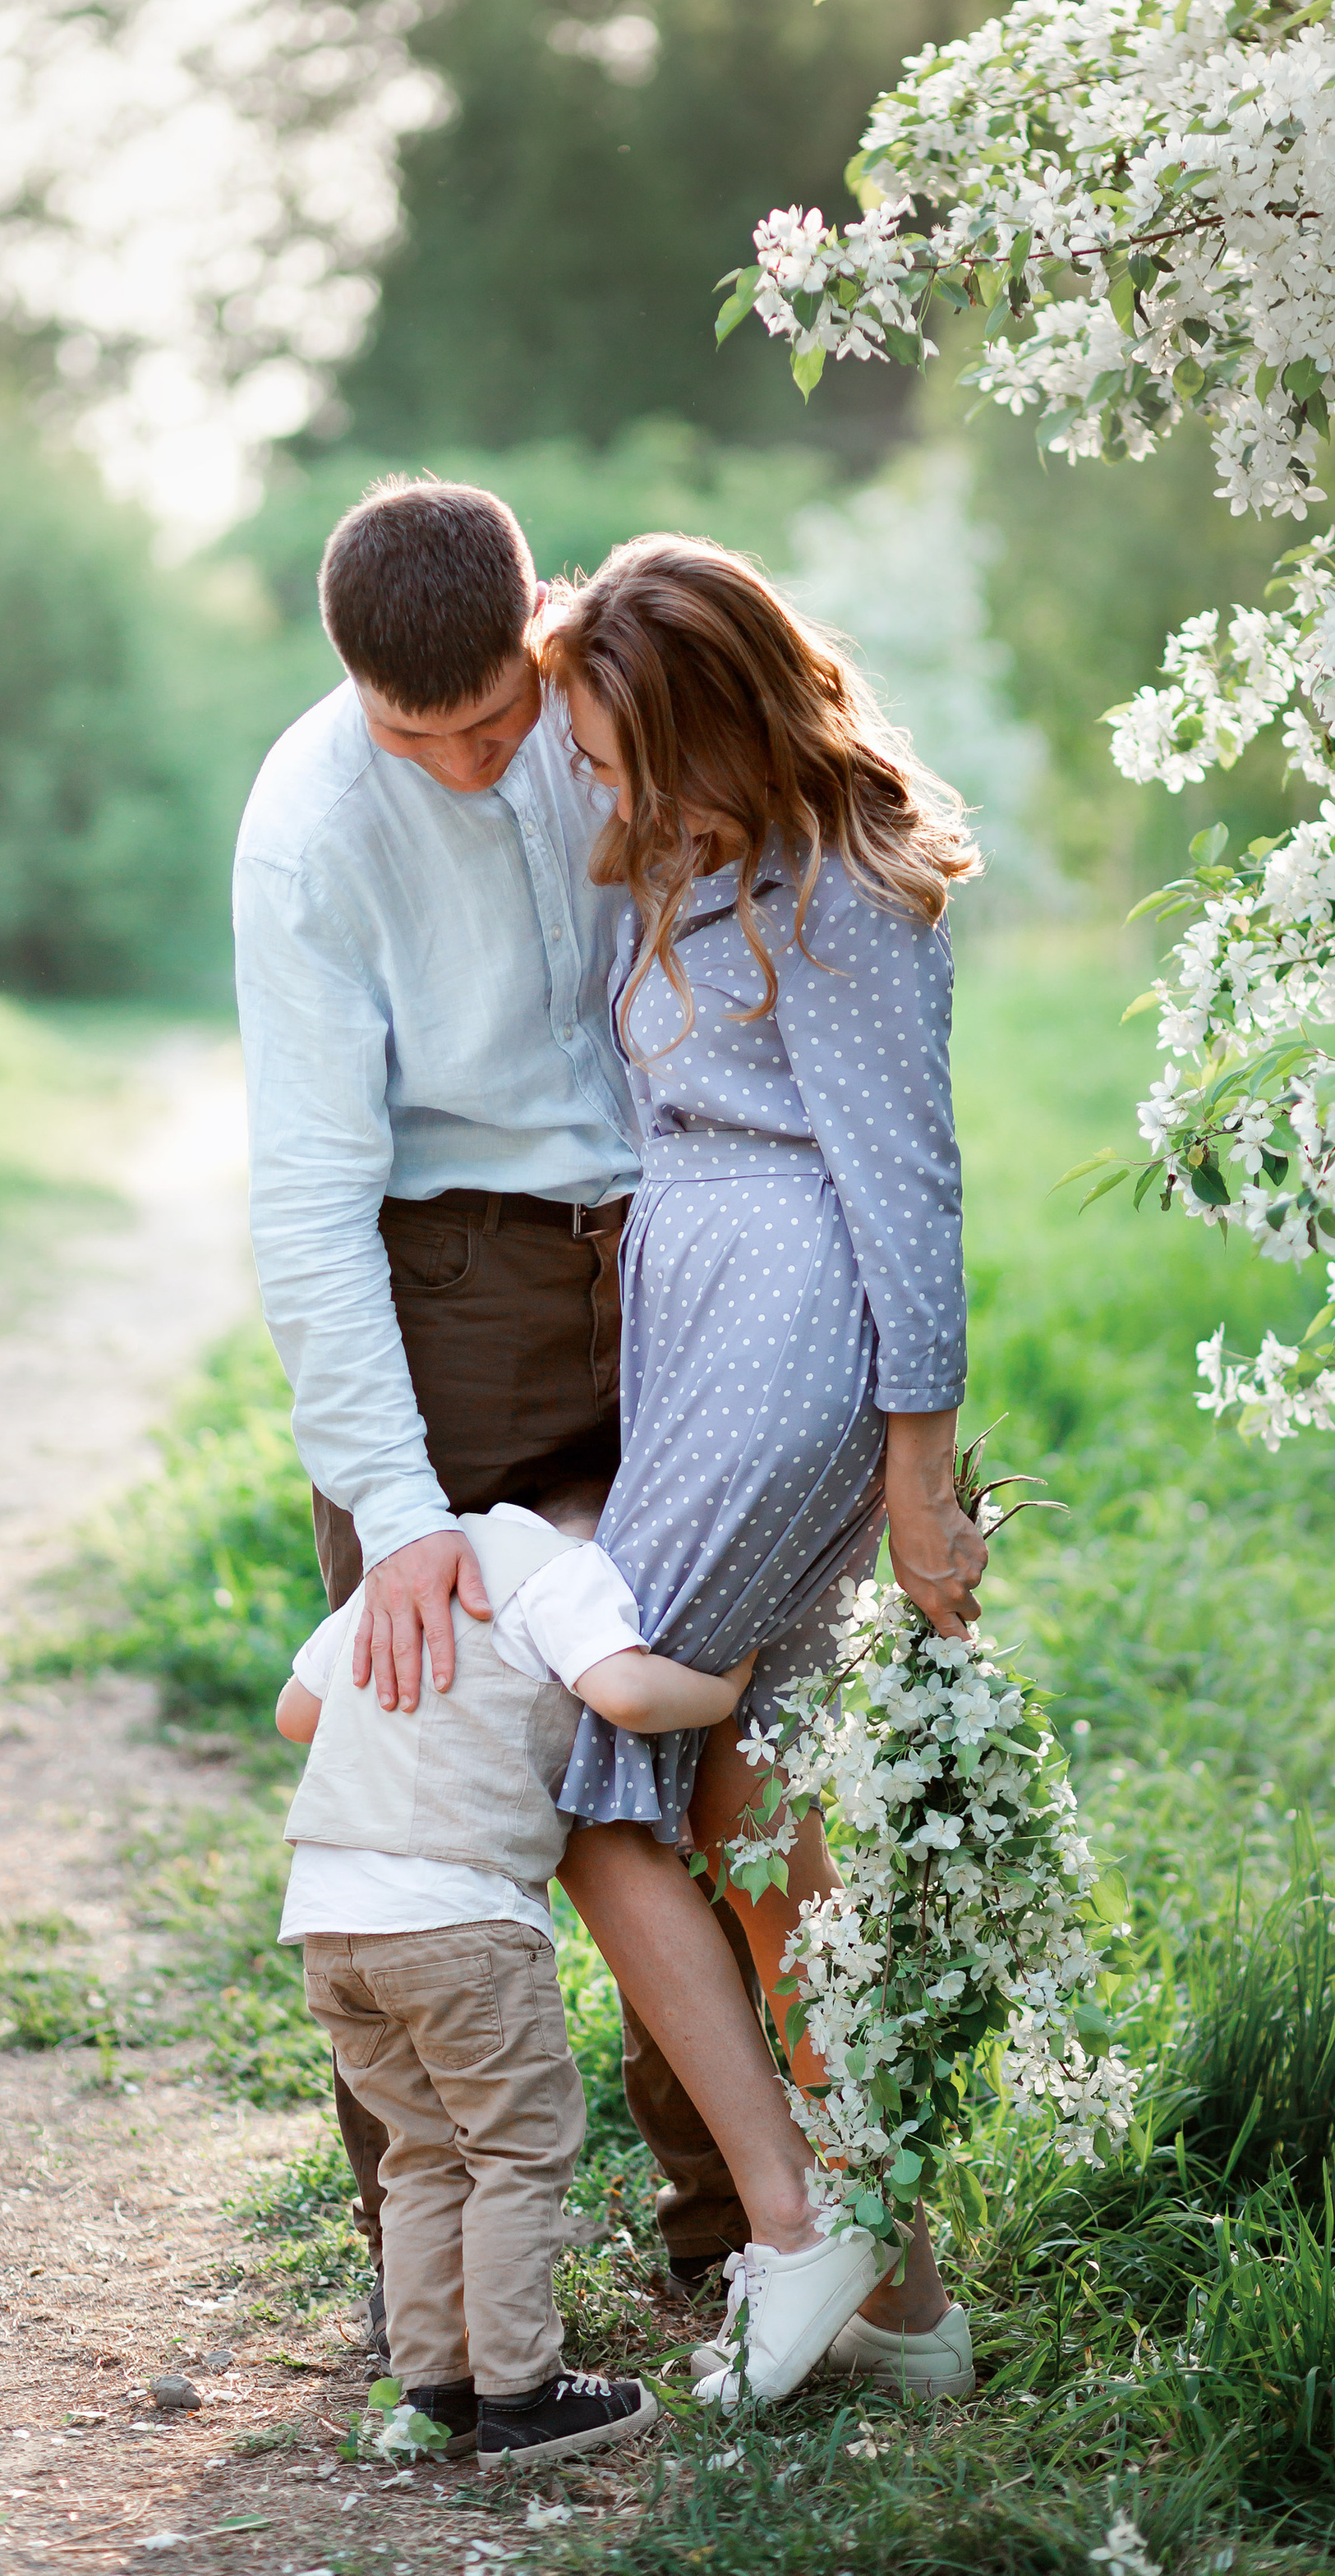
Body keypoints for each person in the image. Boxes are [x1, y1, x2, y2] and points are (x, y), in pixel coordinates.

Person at [230, 475, 756, 2337]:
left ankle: (729, 2232)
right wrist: (395, 1511)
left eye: (495, 722)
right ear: (353, 688)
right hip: (443, 1283)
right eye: (416, 733)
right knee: (419, 1744)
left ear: (534, 631)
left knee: (693, 1738)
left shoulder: (603, 701)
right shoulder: (307, 828)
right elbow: (305, 1191)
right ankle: (434, 2285)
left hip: (669, 1245)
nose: (468, 762)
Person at [536, 533, 989, 2405]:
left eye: (619, 745)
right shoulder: (693, 859)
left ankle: (792, 2229)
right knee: (739, 1799)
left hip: (800, 1354)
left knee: (589, 1780)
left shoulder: (844, 894)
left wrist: (917, 1473)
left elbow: (908, 1188)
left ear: (710, 720)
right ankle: (905, 2303)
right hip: (707, 1343)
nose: (602, 783)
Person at [275, 1488, 753, 2466]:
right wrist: (722, 1684)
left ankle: (435, 2390)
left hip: (332, 1921)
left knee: (418, 2153)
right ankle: (522, 2394)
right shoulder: (566, 1571)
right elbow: (625, 1692)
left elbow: (296, 1714)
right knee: (515, 2149)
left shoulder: (406, 1570)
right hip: (459, 1921)